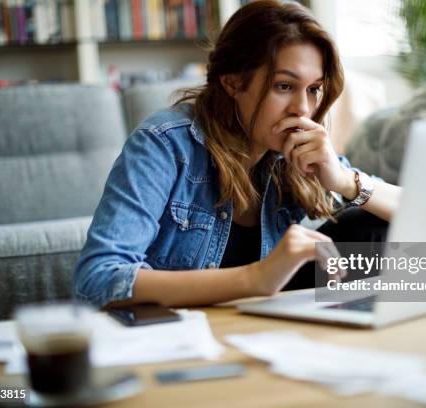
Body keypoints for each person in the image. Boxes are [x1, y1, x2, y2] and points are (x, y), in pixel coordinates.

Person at [74, 0, 402, 309]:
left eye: (313, 89)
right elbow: (97, 279)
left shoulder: (291, 151)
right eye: (284, 86)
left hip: (265, 318)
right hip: (192, 329)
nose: (303, 108)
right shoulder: (165, 144)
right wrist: (256, 278)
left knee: (377, 229)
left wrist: (346, 181)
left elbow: (422, 214)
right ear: (233, 80)